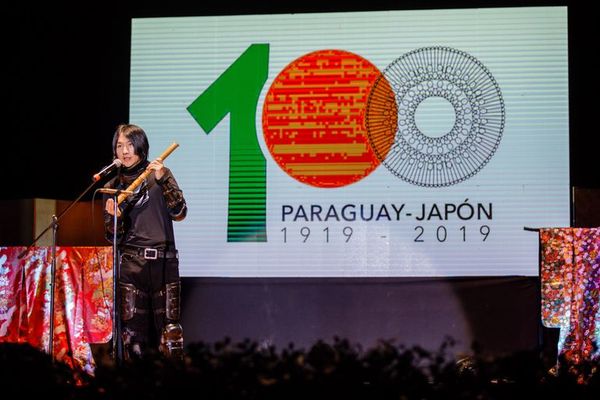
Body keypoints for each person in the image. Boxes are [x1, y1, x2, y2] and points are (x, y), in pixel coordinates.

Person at [103, 124, 187, 359]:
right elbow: (112, 238)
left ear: (141, 146)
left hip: (163, 263)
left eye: (130, 145)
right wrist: (113, 219)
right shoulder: (113, 186)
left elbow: (180, 212)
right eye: (120, 146)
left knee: (171, 336)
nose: (125, 151)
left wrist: (163, 181)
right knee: (132, 338)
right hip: (131, 265)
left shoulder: (159, 173)